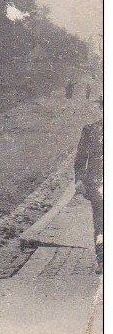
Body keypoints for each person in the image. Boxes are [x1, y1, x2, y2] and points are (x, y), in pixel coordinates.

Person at [74, 96, 103, 273]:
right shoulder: (90, 131)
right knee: (100, 222)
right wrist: (79, 179)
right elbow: (80, 160)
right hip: (98, 185)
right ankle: (103, 259)